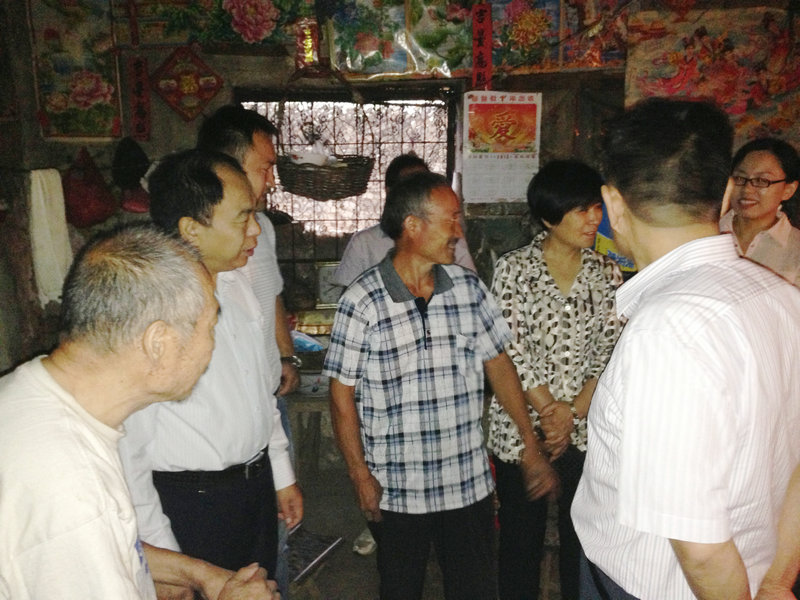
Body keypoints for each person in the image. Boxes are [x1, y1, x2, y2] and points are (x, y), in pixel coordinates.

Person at [571, 97, 800, 599]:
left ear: (614, 205)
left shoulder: (666, 332)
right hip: (757, 576)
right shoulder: (783, 298)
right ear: (726, 193)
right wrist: (778, 580)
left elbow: (700, 549)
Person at [0, 224, 278, 599]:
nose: (212, 347)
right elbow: (83, 535)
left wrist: (199, 575)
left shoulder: (30, 396)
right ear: (158, 343)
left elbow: (108, 547)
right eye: (211, 327)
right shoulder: (70, 490)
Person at [323, 171, 559, 599]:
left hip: (466, 482)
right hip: (397, 488)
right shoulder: (363, 301)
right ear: (413, 226)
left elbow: (499, 364)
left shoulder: (468, 289)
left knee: (474, 590)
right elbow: (342, 397)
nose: (458, 230)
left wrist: (529, 442)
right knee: (400, 589)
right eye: (449, 219)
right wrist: (360, 475)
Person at [119, 150, 303, 595]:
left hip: (254, 489)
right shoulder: (149, 312)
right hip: (191, 505)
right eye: (243, 218)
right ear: (191, 230)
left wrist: (281, 473)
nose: (256, 229)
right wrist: (165, 559)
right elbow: (129, 455)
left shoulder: (237, 284)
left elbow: (261, 390)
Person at [487, 159, 623, 600]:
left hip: (582, 431)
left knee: (580, 541)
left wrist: (572, 413)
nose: (593, 219)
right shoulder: (513, 270)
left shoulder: (606, 272)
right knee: (519, 542)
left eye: (596, 208)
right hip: (522, 430)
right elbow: (511, 349)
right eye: (581, 210)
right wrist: (549, 413)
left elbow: (610, 350)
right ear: (549, 217)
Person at [334, 152, 477, 557]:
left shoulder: (449, 246)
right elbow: (350, 305)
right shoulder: (367, 244)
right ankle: (379, 522)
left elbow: (467, 286)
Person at [197, 105, 301, 595]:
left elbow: (270, 296)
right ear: (229, 168)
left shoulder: (262, 231)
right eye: (265, 168)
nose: (272, 181)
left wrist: (284, 355)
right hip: (215, 433)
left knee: (274, 528)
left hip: (265, 401)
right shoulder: (200, 258)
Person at [332, 152, 475, 290]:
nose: (417, 193)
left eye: (423, 187)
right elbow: (348, 294)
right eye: (410, 188)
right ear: (390, 192)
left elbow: (470, 285)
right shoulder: (364, 243)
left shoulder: (450, 239)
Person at [719, 137, 800, 286]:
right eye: (740, 178)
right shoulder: (708, 232)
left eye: (762, 181)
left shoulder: (796, 249)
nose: (747, 189)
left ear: (788, 190)